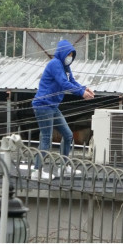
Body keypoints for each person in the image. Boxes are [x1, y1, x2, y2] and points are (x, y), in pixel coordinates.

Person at [32, 40, 95, 180]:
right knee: (46, 138)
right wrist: (81, 93)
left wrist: (84, 88)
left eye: (72, 55)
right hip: (43, 105)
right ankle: (37, 170)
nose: (70, 58)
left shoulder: (65, 67)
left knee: (68, 135)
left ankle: (63, 167)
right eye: (68, 54)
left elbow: (72, 81)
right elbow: (63, 83)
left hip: (53, 107)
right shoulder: (55, 64)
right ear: (62, 53)